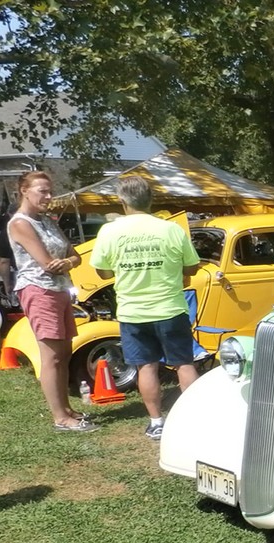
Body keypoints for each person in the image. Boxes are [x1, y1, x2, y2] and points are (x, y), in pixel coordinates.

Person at [90, 175, 200, 439]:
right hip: (170, 308)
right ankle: (196, 419)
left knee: (146, 367)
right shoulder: (171, 229)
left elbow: (102, 273)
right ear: (150, 199)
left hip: (133, 311)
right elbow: (193, 266)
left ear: (122, 201)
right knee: (184, 364)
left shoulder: (110, 231)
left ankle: (156, 421)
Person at [6, 171, 98, 431]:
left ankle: (67, 409)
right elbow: (47, 264)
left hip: (60, 290)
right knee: (52, 357)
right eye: (42, 191)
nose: (48, 196)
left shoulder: (47, 220)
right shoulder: (20, 223)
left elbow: (74, 256)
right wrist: (65, 262)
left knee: (65, 352)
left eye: (50, 191)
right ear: (24, 191)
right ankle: (60, 417)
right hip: (38, 291)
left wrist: (68, 261)